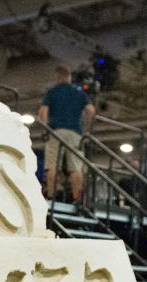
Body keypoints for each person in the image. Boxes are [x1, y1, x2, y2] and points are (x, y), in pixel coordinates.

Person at [38, 65, 95, 202]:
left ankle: (51, 197)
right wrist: (87, 129)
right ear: (69, 77)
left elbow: (43, 112)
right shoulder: (79, 93)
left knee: (52, 166)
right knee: (76, 168)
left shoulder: (52, 92)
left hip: (56, 131)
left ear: (58, 77)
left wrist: (45, 128)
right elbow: (91, 110)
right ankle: (78, 199)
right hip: (75, 132)